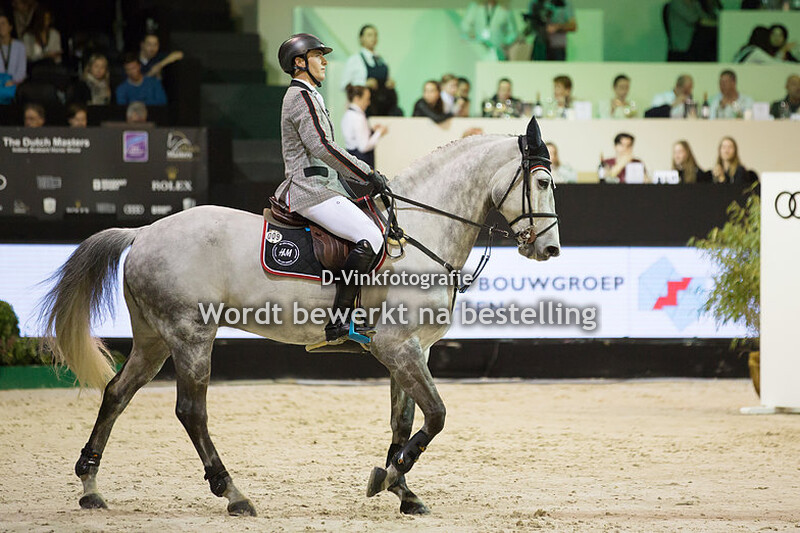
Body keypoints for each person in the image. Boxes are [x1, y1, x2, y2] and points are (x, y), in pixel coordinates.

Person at [274, 33, 388, 344]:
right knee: (371, 236)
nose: (324, 61)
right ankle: (339, 322)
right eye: (317, 56)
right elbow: (323, 147)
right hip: (310, 188)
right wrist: (367, 174)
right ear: (300, 62)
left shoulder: (310, 94)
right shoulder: (300, 97)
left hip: (326, 185)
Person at [340, 25, 401, 116]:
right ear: (361, 38)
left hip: (384, 109)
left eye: (375, 35)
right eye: (369, 35)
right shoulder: (355, 60)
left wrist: (389, 83)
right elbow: (344, 85)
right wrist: (364, 83)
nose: (373, 38)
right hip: (365, 110)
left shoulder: (382, 60)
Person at [341, 84, 387, 167]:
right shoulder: (358, 118)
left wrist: (371, 130)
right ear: (357, 99)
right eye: (366, 99)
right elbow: (363, 147)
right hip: (362, 163)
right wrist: (379, 133)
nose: (368, 103)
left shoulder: (348, 114)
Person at [0, 12, 26, 100]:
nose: (1, 27)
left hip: (15, 83)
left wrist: (13, 81)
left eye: (3, 23)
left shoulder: (20, 46)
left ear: (10, 27)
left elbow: (22, 70)